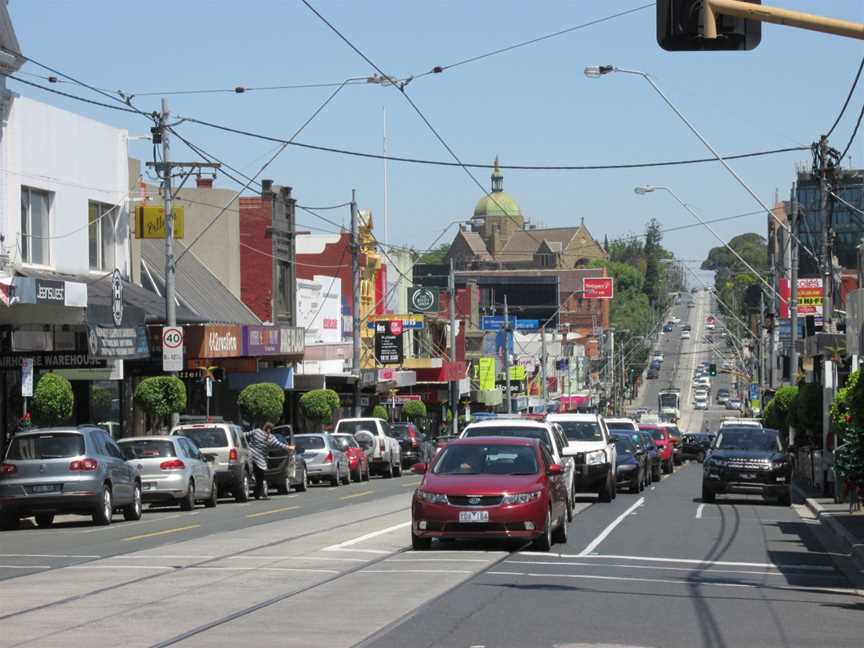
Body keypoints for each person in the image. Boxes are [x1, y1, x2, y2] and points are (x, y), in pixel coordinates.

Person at [244, 422, 294, 500]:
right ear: (271, 430)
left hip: (250, 456)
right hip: (260, 461)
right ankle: (256, 493)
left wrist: (241, 443)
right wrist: (289, 447)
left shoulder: (256, 431)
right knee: (260, 478)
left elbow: (244, 435)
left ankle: (254, 488)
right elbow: (280, 445)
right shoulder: (271, 438)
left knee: (251, 474)